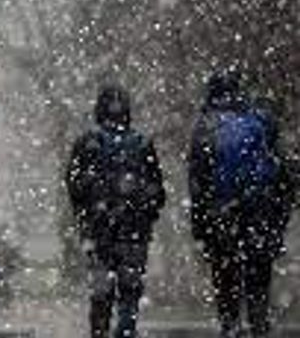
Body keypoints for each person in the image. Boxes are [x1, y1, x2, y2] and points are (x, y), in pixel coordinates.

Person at [187, 71, 295, 338]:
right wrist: (279, 217)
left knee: (226, 276)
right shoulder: (261, 121)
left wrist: (200, 225)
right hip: (259, 212)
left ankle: (230, 325)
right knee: (258, 276)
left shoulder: (205, 126)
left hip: (221, 213)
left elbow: (197, 181)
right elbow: (284, 173)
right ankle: (258, 324)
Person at [66, 85, 166, 338]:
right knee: (130, 292)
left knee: (101, 293)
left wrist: (88, 214)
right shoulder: (141, 143)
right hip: (134, 231)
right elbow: (157, 192)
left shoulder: (87, 142)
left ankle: (99, 331)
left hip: (99, 231)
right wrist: (144, 215)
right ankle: (125, 330)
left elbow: (74, 188)